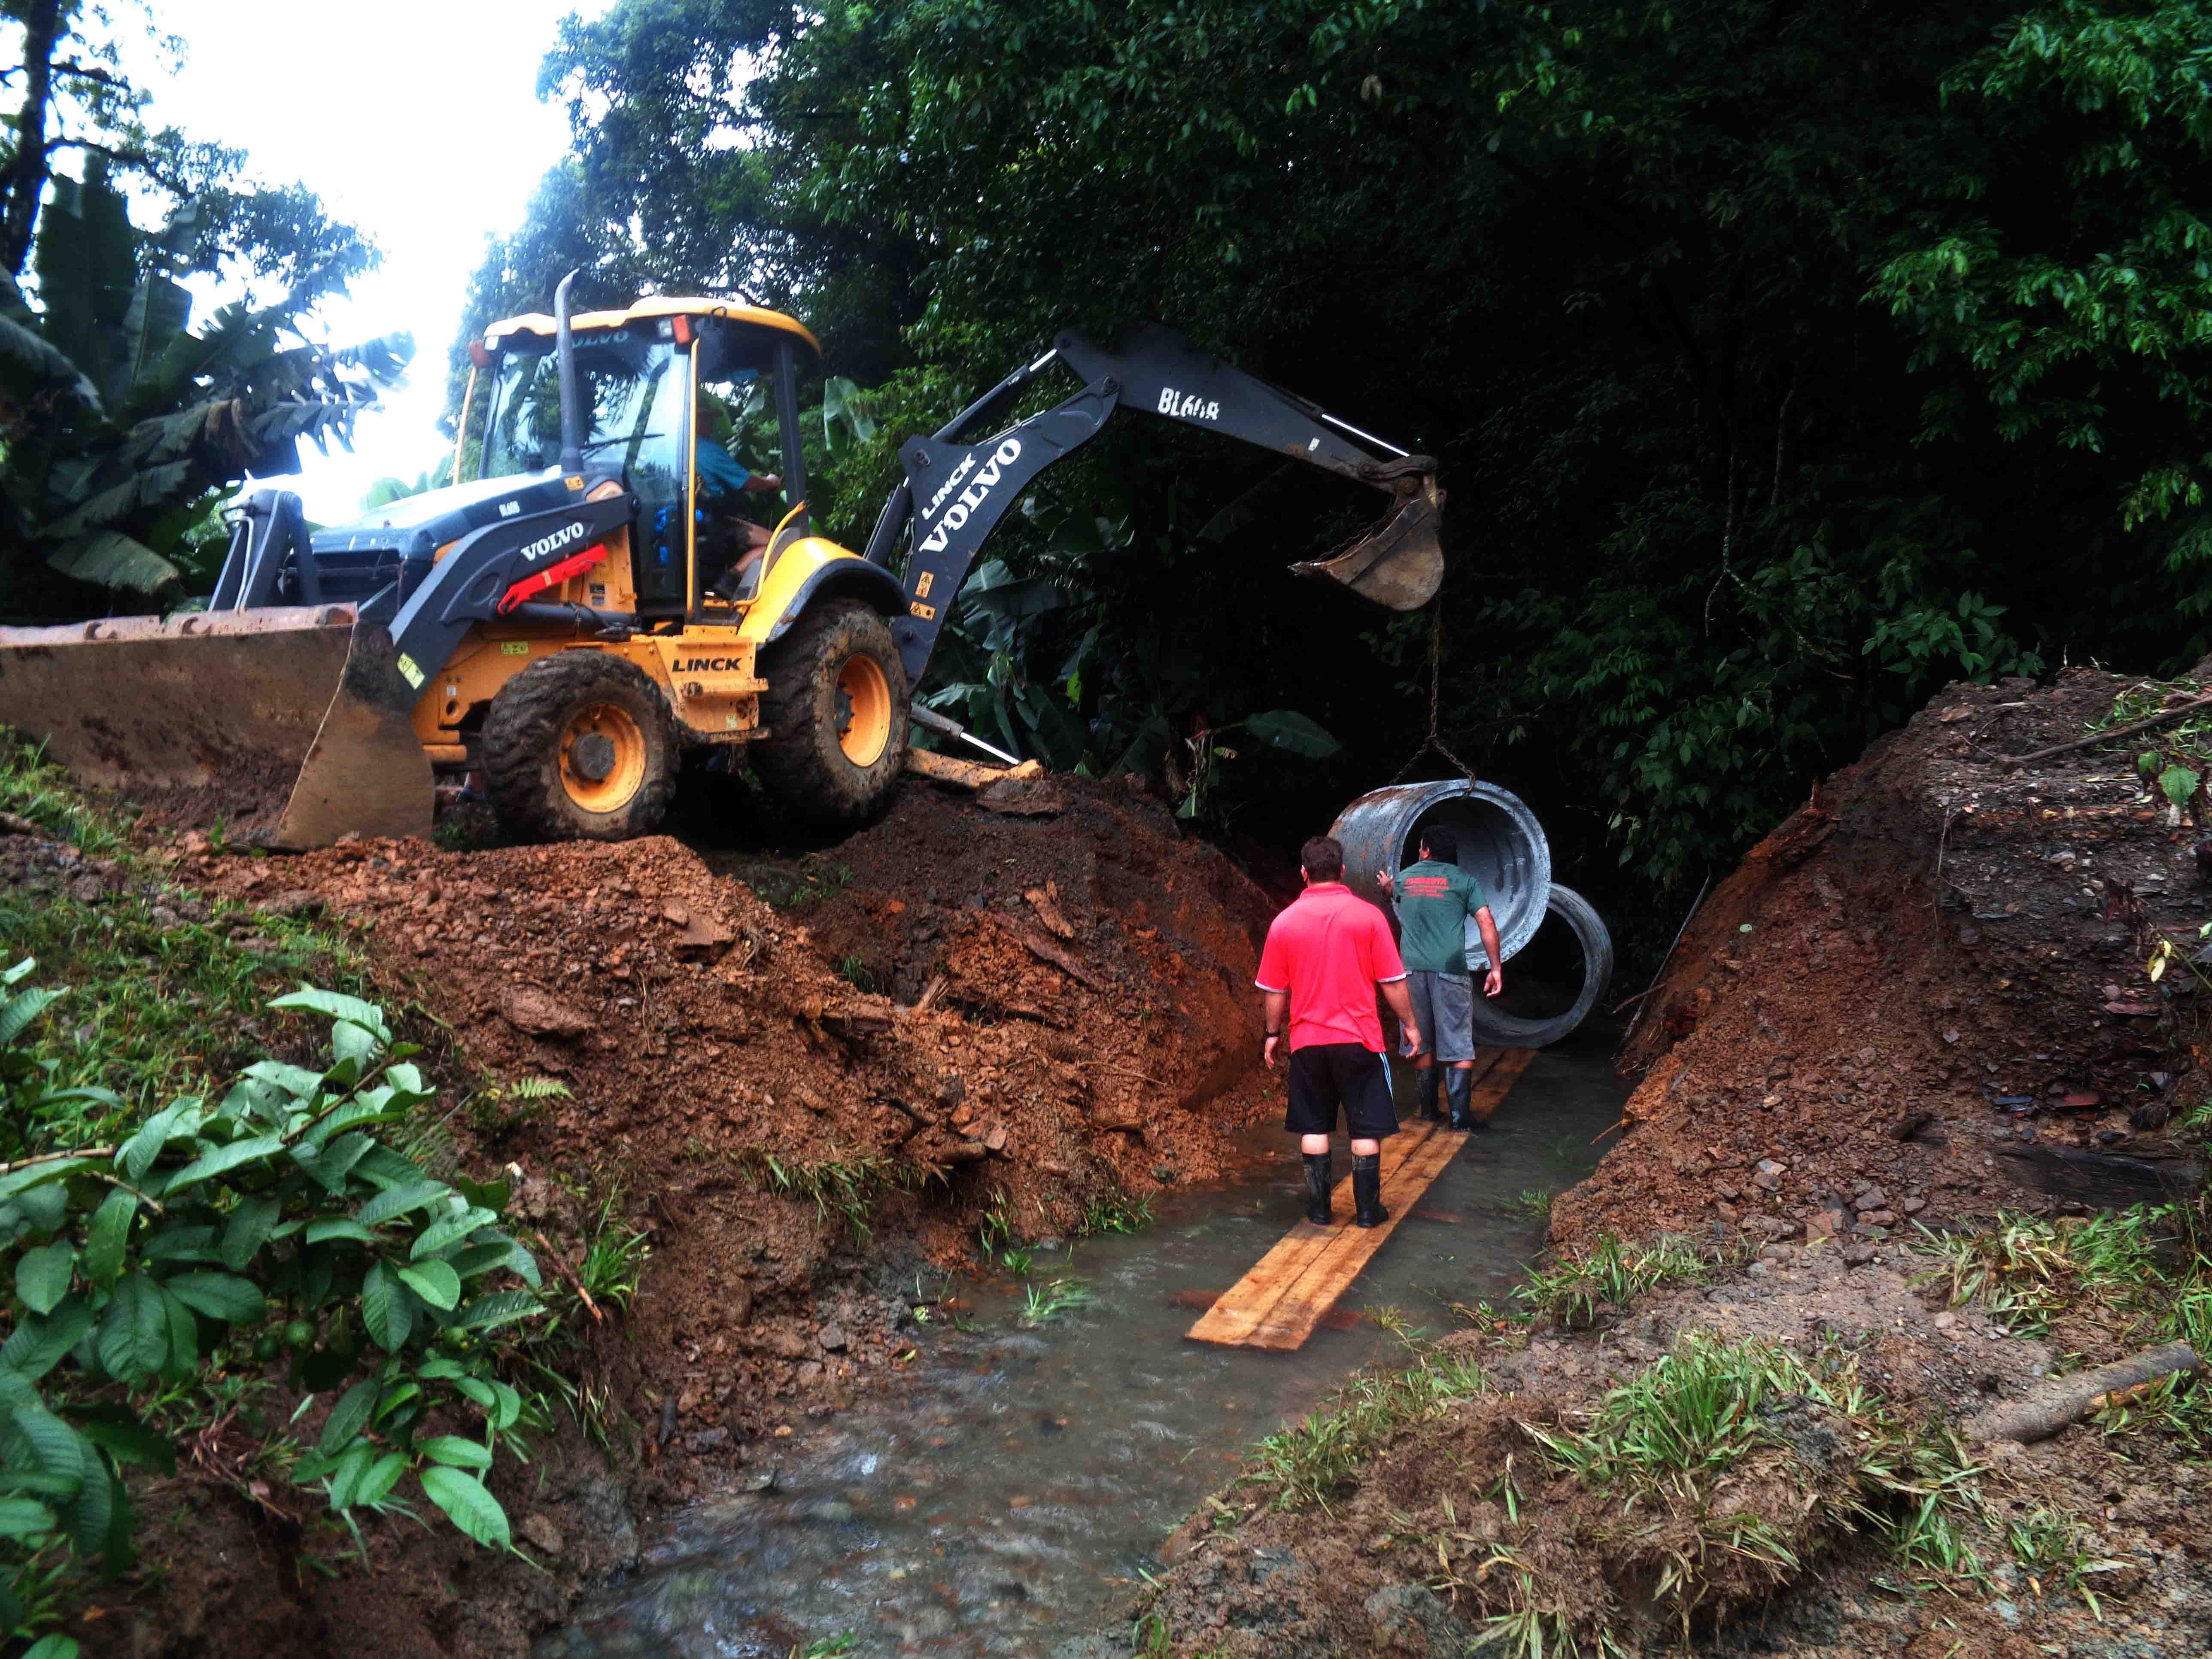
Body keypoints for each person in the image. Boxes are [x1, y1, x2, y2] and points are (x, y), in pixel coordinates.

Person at [1257, 835, 1422, 1229]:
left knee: (1313, 1126)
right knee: (1365, 1127)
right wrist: (1411, 1025)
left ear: (1304, 874)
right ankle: (1367, 1212)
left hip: (1309, 1043)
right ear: (1342, 871)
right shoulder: (1368, 917)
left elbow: (1275, 991)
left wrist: (1272, 1034)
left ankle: (1320, 1211)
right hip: (1360, 1040)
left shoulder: (1284, 923)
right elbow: (1392, 982)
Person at [1375, 826, 1503, 1130]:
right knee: (1458, 1044)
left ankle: (1429, 1112)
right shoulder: (1465, 882)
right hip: (1450, 970)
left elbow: (1391, 889)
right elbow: (1485, 920)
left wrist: (1384, 885)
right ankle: (1461, 1120)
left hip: (1410, 973)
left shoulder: (1406, 878)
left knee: (1421, 1040)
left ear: (1427, 850)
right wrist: (1495, 968)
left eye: (1421, 848)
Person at [696, 411, 783, 599]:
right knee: (779, 544)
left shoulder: (674, 448)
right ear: (697, 419)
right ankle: (732, 577)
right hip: (716, 524)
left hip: (689, 525)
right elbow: (746, 482)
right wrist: (770, 482)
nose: (712, 425)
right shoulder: (706, 450)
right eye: (709, 419)